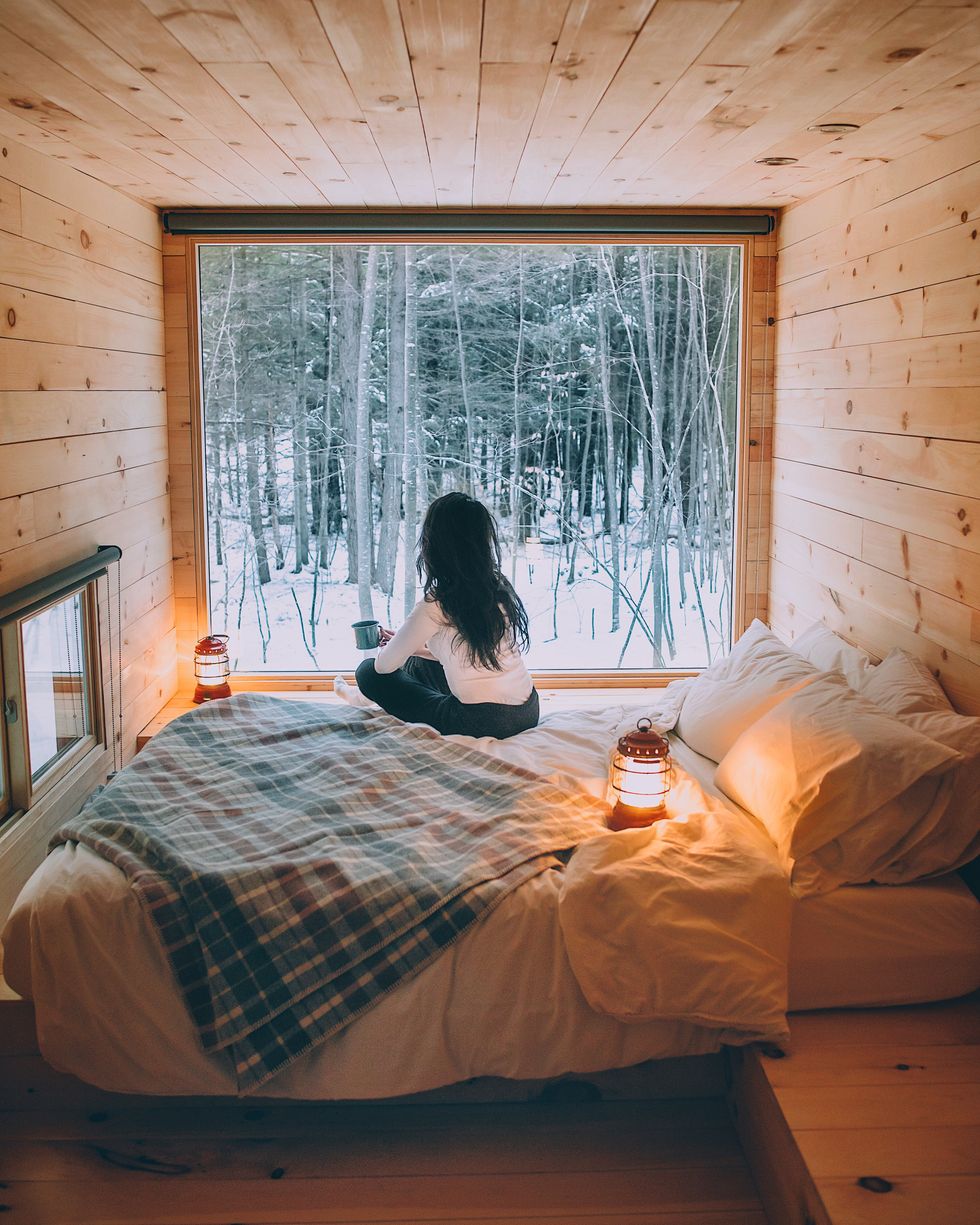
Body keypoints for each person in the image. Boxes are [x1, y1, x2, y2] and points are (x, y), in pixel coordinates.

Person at [350, 492, 538, 739]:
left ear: (434, 545)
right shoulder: (496, 588)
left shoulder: (438, 602)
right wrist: (414, 648)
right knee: (418, 663)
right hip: (528, 710)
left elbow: (384, 667)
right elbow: (469, 656)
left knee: (367, 673)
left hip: (484, 722)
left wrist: (395, 647)